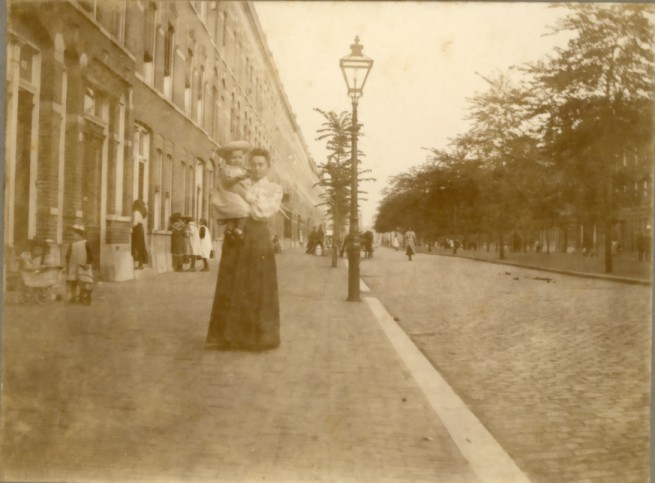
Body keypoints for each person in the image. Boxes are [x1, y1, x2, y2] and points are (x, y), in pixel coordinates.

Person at [206, 148, 283, 351]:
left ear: (268, 167)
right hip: (236, 238)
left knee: (256, 285)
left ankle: (258, 338)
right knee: (231, 282)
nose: (256, 168)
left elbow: (261, 212)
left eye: (261, 164)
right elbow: (223, 202)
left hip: (257, 239)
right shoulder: (240, 181)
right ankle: (228, 336)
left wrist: (242, 195)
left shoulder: (274, 189)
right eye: (253, 164)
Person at [211, 140, 252, 244]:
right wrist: (240, 178)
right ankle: (239, 230)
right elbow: (228, 182)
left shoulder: (241, 170)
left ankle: (229, 230)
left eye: (240, 158)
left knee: (234, 215)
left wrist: (247, 176)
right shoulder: (228, 169)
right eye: (234, 158)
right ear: (227, 159)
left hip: (236, 195)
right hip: (229, 195)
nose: (237, 160)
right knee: (244, 210)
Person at [66, 223, 94, 304]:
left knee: (83, 281)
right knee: (73, 281)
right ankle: (73, 297)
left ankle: (82, 296)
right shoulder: (72, 244)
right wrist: (67, 262)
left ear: (80, 234)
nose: (74, 236)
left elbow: (90, 255)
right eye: (73, 234)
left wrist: (88, 263)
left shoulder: (85, 243)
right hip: (73, 265)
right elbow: (68, 255)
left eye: (75, 234)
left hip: (83, 265)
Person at [131, 199, 148, 270]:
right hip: (140, 229)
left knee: (136, 246)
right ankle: (141, 264)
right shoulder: (140, 213)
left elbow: (135, 223)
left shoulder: (136, 212)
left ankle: (137, 265)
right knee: (140, 246)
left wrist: (130, 226)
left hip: (137, 230)